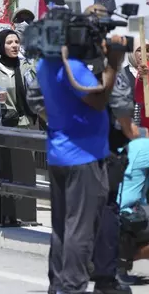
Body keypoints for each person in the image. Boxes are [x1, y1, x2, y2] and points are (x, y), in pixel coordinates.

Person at [35, 23, 127, 293]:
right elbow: (98, 100)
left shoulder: (46, 65)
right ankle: (72, 286)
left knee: (63, 227)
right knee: (81, 229)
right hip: (82, 156)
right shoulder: (72, 68)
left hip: (60, 154)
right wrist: (113, 64)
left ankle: (59, 284)